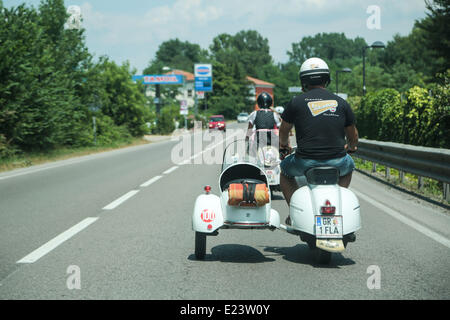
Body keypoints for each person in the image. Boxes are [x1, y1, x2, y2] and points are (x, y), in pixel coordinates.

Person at [279, 57, 359, 216]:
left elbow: (284, 130)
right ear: (327, 79)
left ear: (303, 81)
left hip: (305, 161)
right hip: (337, 160)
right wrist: (351, 147)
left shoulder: (296, 102)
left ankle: (295, 212)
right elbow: (353, 134)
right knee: (349, 166)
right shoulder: (341, 103)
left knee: (284, 173)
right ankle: (337, 201)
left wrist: (284, 146)